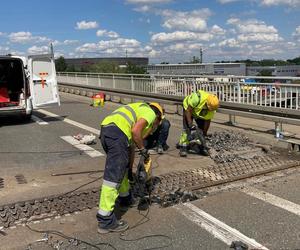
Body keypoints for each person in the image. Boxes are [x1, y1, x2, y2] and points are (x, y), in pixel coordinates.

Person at [97, 102, 163, 234]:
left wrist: (129, 170)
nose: (153, 128)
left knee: (121, 171)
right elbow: (136, 132)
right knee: (113, 178)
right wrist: (143, 150)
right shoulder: (150, 113)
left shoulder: (138, 110)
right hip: (116, 135)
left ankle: (125, 198)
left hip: (108, 131)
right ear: (157, 117)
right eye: (156, 125)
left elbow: (131, 147)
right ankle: (105, 220)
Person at [178, 90, 219, 157]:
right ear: (207, 103)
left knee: (201, 130)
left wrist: (204, 132)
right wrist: (190, 124)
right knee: (187, 129)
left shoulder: (212, 107)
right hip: (188, 109)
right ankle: (183, 147)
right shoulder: (197, 98)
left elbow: (207, 120)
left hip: (198, 112)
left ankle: (201, 146)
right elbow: (188, 110)